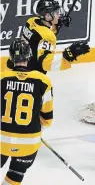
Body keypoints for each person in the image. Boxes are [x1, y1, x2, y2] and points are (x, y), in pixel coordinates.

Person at [1, 40, 54, 184]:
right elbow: (48, 120)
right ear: (29, 56)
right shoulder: (44, 81)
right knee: (15, 173)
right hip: (29, 143)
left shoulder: (2, 78)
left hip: (1, 141)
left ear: (11, 57)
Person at [7, 0, 90, 74]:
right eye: (56, 13)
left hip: (12, 67)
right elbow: (45, 63)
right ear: (47, 16)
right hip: (30, 77)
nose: (58, 15)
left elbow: (38, 36)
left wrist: (57, 24)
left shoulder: (31, 21)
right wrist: (68, 55)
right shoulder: (48, 36)